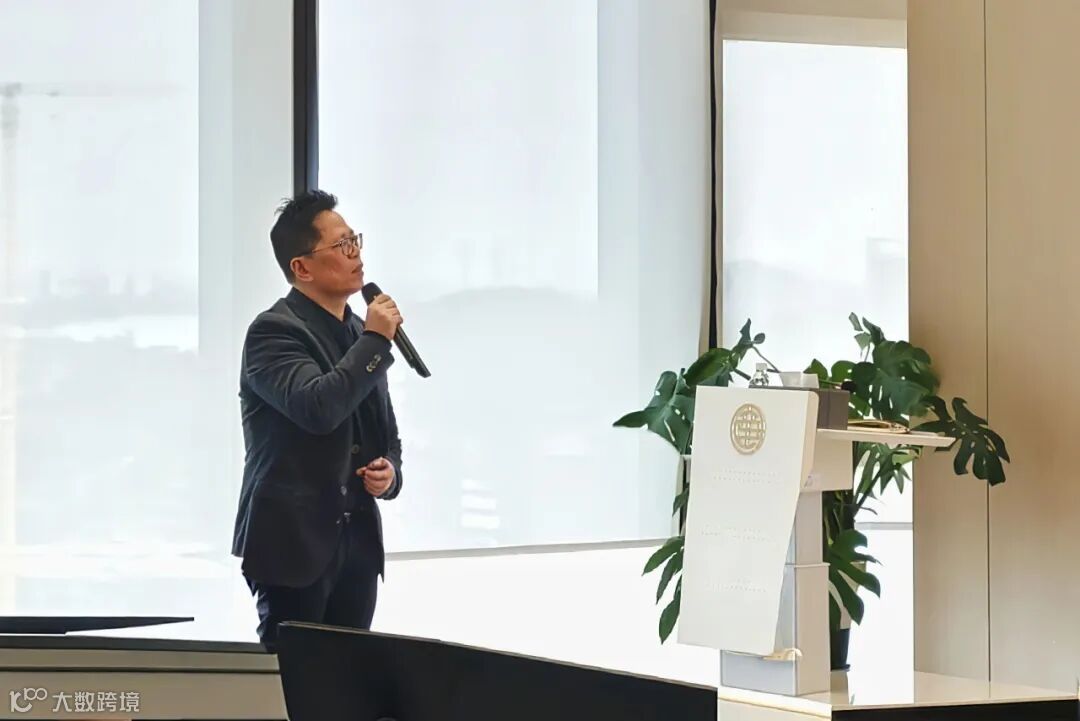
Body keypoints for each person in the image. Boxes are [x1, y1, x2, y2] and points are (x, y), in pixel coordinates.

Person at [231, 189, 404, 651]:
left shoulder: (359, 331)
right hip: (293, 545)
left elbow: (385, 429)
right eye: (341, 245)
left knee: (348, 680)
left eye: (355, 240)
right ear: (302, 267)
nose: (355, 253)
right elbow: (318, 409)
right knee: (291, 679)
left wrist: (390, 471)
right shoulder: (273, 331)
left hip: (358, 546)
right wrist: (375, 342)